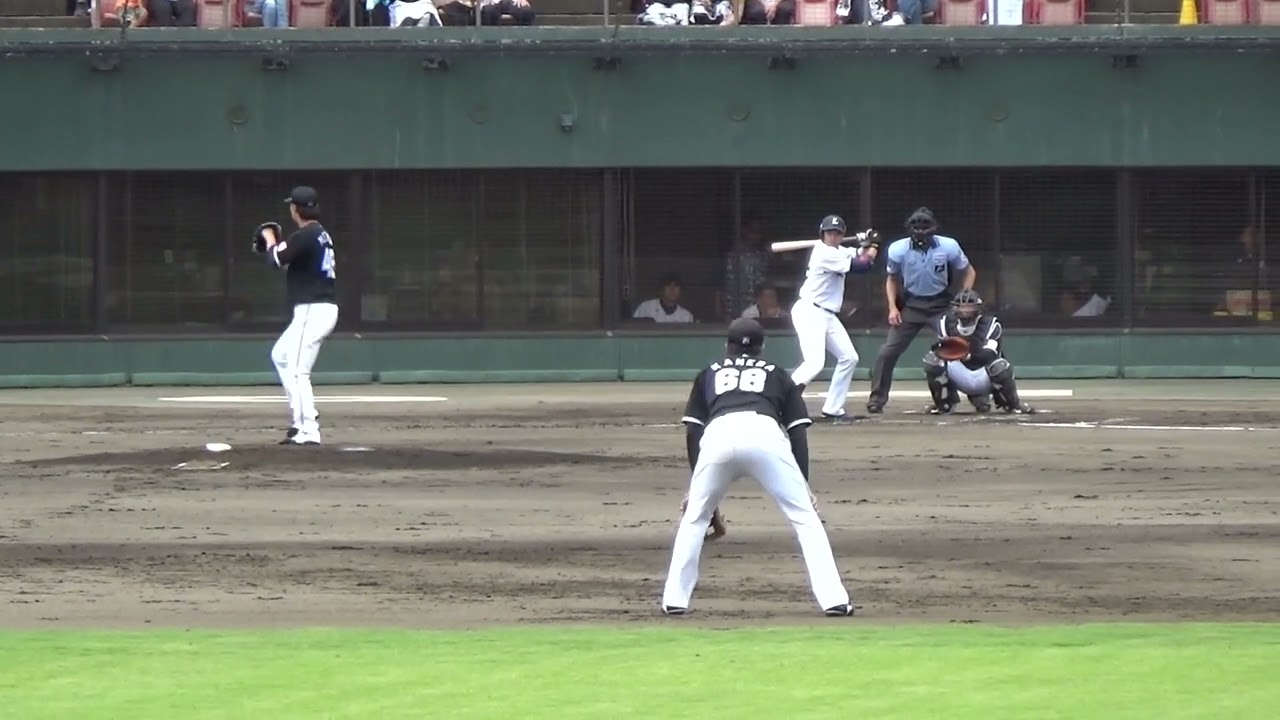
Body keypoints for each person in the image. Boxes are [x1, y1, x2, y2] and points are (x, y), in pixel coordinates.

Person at [661, 318, 855, 617]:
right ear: (762, 348)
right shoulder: (777, 373)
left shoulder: (709, 372)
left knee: (694, 518)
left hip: (719, 434)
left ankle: (674, 600)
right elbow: (797, 431)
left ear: (727, 346)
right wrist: (803, 485)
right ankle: (834, 601)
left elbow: (693, 430)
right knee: (805, 517)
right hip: (765, 434)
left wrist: (696, 487)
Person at [867, 207, 976, 414]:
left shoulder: (948, 246)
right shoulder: (898, 249)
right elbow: (891, 279)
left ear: (934, 229)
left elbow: (969, 271)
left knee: (959, 348)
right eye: (916, 229)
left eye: (925, 229)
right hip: (912, 305)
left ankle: (977, 397)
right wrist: (893, 308)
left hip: (941, 305)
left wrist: (964, 297)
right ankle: (877, 399)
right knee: (887, 352)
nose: (921, 235)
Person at [259, 187, 340, 446]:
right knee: (281, 355)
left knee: (297, 371)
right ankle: (300, 421)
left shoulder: (306, 234)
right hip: (315, 309)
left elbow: (275, 260)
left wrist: (269, 238)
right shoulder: (318, 234)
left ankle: (308, 429)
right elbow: (288, 260)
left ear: (295, 209)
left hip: (312, 310)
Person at [789, 215, 879, 423]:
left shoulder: (838, 251)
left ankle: (833, 408)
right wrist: (874, 244)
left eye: (837, 233)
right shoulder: (824, 253)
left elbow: (859, 254)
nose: (833, 236)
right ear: (823, 234)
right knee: (814, 363)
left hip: (827, 314)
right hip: (810, 311)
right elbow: (863, 265)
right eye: (830, 233)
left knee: (849, 357)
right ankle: (782, 399)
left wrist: (864, 243)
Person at [923, 289, 1034, 415]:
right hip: (959, 372)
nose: (965, 310)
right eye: (962, 307)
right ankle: (944, 404)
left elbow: (990, 354)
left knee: (1000, 366)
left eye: (969, 306)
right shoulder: (945, 323)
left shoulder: (991, 324)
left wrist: (968, 356)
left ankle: (1012, 404)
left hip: (984, 373)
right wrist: (944, 351)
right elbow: (939, 349)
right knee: (932, 360)